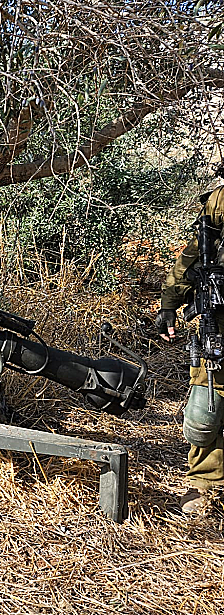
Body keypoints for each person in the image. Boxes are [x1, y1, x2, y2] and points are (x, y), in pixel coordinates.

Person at [156, 168, 224, 515]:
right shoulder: (220, 203)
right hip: (220, 321)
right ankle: (206, 484)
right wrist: (169, 303)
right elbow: (194, 255)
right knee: (207, 404)